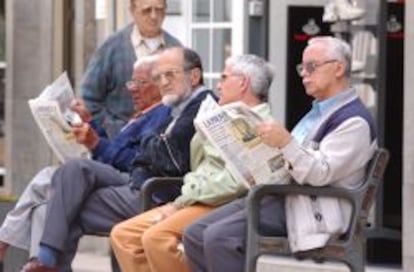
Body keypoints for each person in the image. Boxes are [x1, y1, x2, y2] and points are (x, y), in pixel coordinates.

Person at [182, 36, 378, 272]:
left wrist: (285, 142)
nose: (304, 73)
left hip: (312, 208)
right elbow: (295, 159)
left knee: (219, 237)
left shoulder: (354, 121)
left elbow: (320, 173)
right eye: (302, 67)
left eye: (311, 67)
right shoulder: (319, 112)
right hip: (284, 195)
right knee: (194, 234)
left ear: (338, 68)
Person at [20, 47, 213, 272]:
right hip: (137, 181)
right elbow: (144, 150)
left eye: (169, 75)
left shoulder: (190, 107)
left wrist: (105, 143)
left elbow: (165, 157)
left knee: (67, 189)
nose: (163, 83)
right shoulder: (172, 108)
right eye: (159, 77)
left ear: (194, 76)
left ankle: (39, 257)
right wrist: (93, 128)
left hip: (154, 190)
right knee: (62, 200)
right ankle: (45, 260)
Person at [109, 54, 286, 272]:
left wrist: (181, 202)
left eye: (224, 77)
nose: (218, 85)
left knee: (157, 238)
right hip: (198, 197)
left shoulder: (258, 126)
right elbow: (201, 166)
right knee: (124, 235)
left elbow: (234, 183)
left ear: (242, 83)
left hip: (220, 203)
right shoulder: (225, 117)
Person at [0, 55, 170, 264]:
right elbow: (115, 148)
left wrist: (96, 143)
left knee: (59, 175)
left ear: (160, 84)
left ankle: (7, 240)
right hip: (112, 175)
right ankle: (42, 262)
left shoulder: (163, 114)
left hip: (133, 180)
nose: (132, 88)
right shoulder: (140, 115)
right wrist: (91, 123)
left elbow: (138, 160)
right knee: (45, 207)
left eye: (141, 82)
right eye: (131, 82)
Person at [81, 0, 181, 137]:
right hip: (117, 144)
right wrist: (113, 129)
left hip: (162, 144)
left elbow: (185, 98)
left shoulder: (176, 50)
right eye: (147, 10)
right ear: (132, 11)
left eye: (159, 10)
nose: (153, 16)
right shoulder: (111, 48)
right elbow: (88, 98)